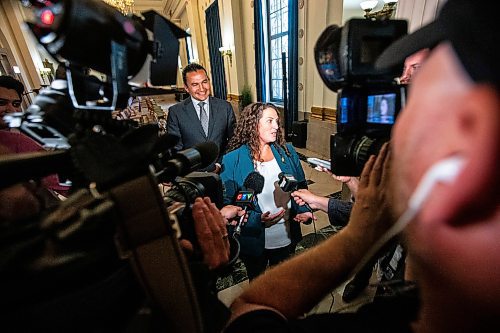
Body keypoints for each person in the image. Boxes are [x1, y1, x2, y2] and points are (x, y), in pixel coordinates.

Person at [225, 0, 500, 332]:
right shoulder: (233, 161)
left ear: (460, 179)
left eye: (415, 110)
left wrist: (358, 234)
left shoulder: (287, 154)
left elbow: (253, 309)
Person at [220, 102, 311, 280]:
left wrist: (304, 210)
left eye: (277, 121)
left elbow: (301, 188)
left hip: (285, 233)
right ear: (254, 124)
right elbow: (227, 204)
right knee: (257, 282)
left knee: (282, 279)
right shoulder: (232, 160)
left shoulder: (288, 151)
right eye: (270, 121)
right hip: (253, 238)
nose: (276, 127)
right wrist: (256, 219)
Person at [167, 63, 236, 173]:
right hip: (192, 175)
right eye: (195, 84)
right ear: (186, 88)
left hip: (223, 171)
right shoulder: (176, 112)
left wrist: (219, 163)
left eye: (204, 82)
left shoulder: (225, 107)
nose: (202, 88)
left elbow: (233, 141)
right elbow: (176, 149)